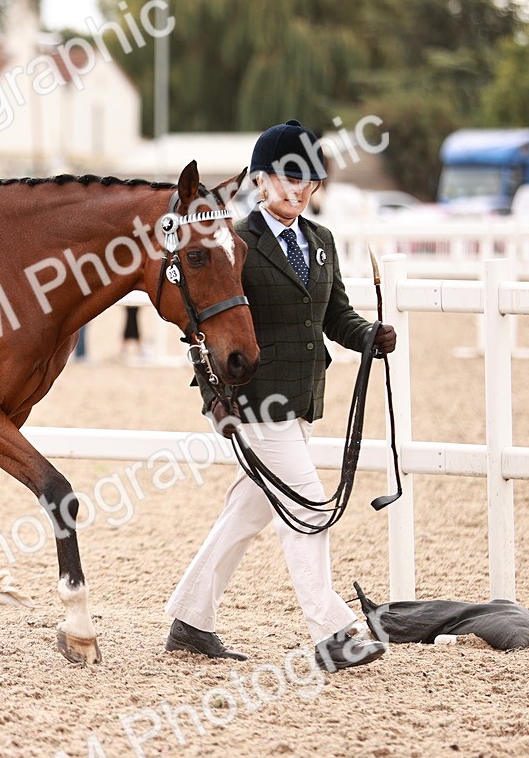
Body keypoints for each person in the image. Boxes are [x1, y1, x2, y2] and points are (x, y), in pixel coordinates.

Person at [164, 120, 397, 673]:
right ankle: (332, 631)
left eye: (307, 180)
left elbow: (334, 316)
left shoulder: (321, 242)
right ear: (260, 181)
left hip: (302, 397)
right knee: (307, 505)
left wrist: (368, 336)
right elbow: (205, 324)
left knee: (247, 513)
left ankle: (190, 619)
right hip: (254, 401)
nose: (297, 190)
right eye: (286, 178)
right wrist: (213, 398)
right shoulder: (235, 240)